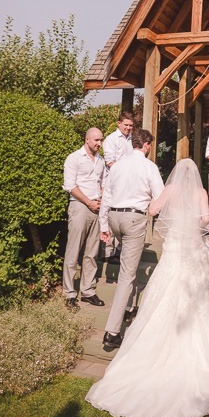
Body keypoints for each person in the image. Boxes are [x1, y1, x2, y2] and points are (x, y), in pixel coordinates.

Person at [86, 158, 209, 417]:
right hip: (190, 247)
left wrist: (167, 211)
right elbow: (205, 219)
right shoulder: (201, 192)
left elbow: (154, 209)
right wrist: (196, 222)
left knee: (164, 293)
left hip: (173, 249)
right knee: (197, 289)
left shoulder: (170, 190)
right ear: (196, 175)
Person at [99, 128, 164, 350]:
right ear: (145, 145)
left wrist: (103, 225)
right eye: (150, 145)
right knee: (127, 274)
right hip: (134, 219)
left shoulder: (117, 167)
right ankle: (112, 332)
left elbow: (106, 195)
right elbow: (160, 196)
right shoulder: (149, 166)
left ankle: (130, 307)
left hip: (114, 217)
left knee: (129, 263)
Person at [62, 128, 106, 308]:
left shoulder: (101, 161)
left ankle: (88, 291)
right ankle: (69, 293)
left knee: (92, 253)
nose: (99, 143)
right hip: (80, 206)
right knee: (73, 251)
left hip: (97, 207)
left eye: (101, 140)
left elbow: (103, 183)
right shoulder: (74, 158)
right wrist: (88, 202)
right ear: (86, 139)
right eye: (96, 140)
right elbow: (70, 186)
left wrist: (101, 200)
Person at [101, 110, 134, 261]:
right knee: (109, 213)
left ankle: (120, 251)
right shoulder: (111, 139)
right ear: (119, 124)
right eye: (126, 125)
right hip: (113, 182)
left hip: (127, 183)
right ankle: (107, 252)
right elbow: (110, 162)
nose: (128, 128)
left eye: (131, 125)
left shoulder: (132, 139)